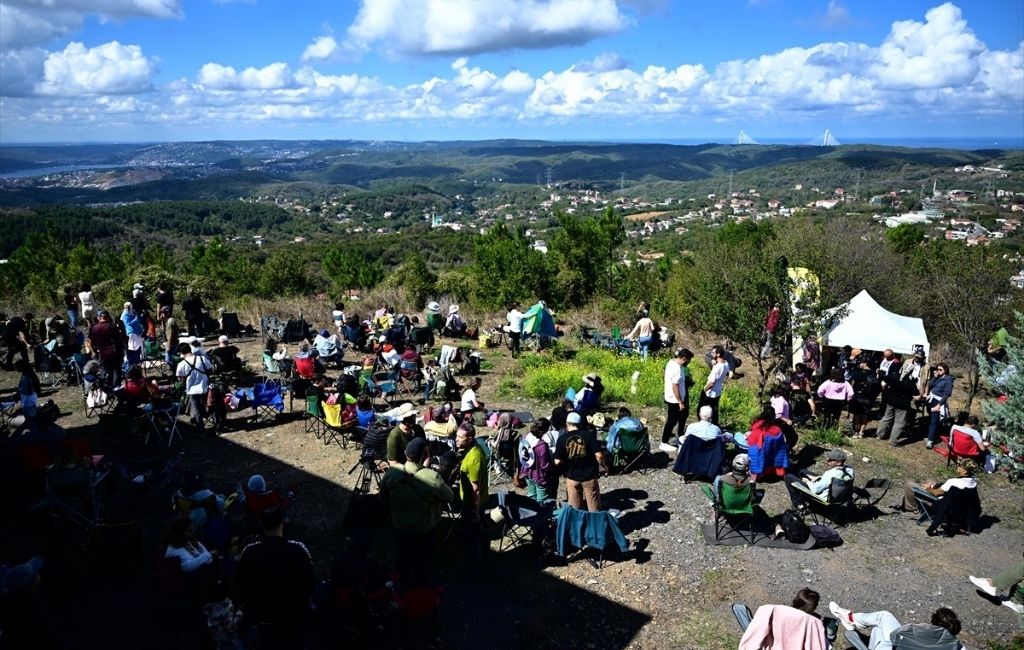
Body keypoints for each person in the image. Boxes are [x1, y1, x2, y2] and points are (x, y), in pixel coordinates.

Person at [235, 507, 315, 649]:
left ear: (261, 524)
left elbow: (241, 584)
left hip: (262, 617)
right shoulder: (299, 550)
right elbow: (309, 583)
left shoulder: (249, 552)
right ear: (282, 523)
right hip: (293, 617)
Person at [380, 437, 453, 587]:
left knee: (403, 555)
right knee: (423, 559)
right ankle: (419, 587)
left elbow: (383, 497)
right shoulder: (432, 477)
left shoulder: (392, 473)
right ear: (425, 455)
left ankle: (402, 581)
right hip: (424, 528)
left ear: (406, 453)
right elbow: (449, 497)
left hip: (400, 525)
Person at [828, 602, 964, 650]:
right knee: (884, 618)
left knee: (879, 627)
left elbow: (895, 636)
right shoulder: (957, 646)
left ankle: (850, 619)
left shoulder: (918, 632)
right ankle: (851, 619)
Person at [894, 459, 980, 531]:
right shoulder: (973, 482)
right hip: (958, 506)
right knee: (930, 480)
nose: (957, 465)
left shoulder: (953, 482)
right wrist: (932, 486)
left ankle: (912, 507)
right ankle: (926, 489)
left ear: (965, 471)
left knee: (909, 485)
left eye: (959, 465)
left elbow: (936, 493)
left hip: (943, 502)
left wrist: (928, 489)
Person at [553, 412, 608, 512]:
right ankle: (594, 524)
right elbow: (599, 455)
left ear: (567, 423)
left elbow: (557, 461)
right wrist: (604, 466)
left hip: (572, 476)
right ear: (580, 423)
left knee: (575, 508)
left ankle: (578, 526)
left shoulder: (562, 439)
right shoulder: (589, 435)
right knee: (594, 506)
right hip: (589, 476)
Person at [784, 449, 854, 510]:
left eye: (830, 460)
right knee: (802, 471)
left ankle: (798, 504)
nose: (827, 460)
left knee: (788, 477)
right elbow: (831, 480)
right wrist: (819, 478)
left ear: (838, 462)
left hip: (823, 497)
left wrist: (808, 481)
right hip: (836, 493)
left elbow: (815, 490)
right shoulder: (850, 469)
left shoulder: (830, 474)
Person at [661, 347, 693, 453]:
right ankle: (664, 442)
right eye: (688, 360)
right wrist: (680, 402)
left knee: (672, 419)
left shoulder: (671, 362)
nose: (688, 363)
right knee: (672, 421)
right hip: (675, 400)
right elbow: (675, 386)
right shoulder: (678, 369)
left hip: (669, 397)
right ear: (684, 358)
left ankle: (669, 437)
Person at [176, 342, 213, 431]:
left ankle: (201, 429)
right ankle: (216, 421)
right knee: (211, 405)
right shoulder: (202, 358)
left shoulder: (181, 364)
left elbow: (180, 380)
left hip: (192, 390)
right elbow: (211, 370)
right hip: (206, 387)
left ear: (181, 353)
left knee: (196, 410)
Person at [518, 418, 556, 502]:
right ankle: (541, 513)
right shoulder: (542, 445)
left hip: (527, 471)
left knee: (531, 495)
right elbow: (544, 465)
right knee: (542, 500)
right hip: (539, 475)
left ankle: (532, 512)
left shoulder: (525, 437)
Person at [876, 373, 920, 445]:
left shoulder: (894, 376)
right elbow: (916, 397)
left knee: (886, 418)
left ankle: (880, 434)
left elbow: (883, 384)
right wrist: (921, 394)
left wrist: (886, 390)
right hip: (903, 405)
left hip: (891, 401)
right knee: (899, 423)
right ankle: (893, 441)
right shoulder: (910, 382)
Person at [87, 310, 123, 387]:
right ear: (108, 317)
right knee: (116, 372)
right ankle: (116, 390)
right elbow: (119, 340)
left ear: (99, 318)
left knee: (106, 373)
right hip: (114, 353)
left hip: (102, 354)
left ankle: (107, 391)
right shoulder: (112, 326)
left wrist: (93, 352)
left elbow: (90, 342)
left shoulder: (94, 327)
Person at [923, 362, 954, 449]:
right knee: (932, 419)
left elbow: (946, 394)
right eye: (937, 369)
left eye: (941, 370)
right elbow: (929, 385)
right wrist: (935, 377)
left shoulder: (948, 381)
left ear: (946, 370)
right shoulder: (938, 377)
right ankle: (932, 435)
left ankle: (930, 440)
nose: (938, 371)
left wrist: (939, 405)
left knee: (934, 421)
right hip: (931, 399)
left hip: (938, 401)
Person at [699, 345, 729, 425]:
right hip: (718, 391)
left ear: (718, 354)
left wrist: (704, 390)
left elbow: (711, 383)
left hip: (710, 392)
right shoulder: (726, 364)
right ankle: (714, 425)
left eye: (713, 353)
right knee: (714, 411)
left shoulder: (717, 367)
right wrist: (714, 365)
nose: (711, 354)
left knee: (701, 409)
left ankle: (702, 425)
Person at [120, 301, 145, 367]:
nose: (127, 308)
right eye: (126, 306)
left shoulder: (133, 312)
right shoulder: (125, 314)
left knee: (140, 345)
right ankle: (133, 362)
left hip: (137, 331)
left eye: (129, 306)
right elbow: (128, 323)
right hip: (131, 332)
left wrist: (139, 316)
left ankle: (141, 358)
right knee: (133, 347)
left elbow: (138, 319)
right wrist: (136, 319)